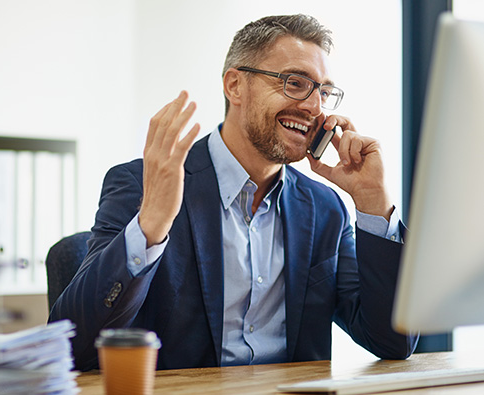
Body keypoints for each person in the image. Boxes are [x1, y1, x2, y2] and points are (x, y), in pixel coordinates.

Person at [49, 14, 418, 371]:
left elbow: (392, 342)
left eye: (323, 92)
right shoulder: (143, 185)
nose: (313, 107)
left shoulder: (325, 209)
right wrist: (150, 226)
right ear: (234, 86)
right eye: (295, 83)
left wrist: (374, 203)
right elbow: (71, 347)